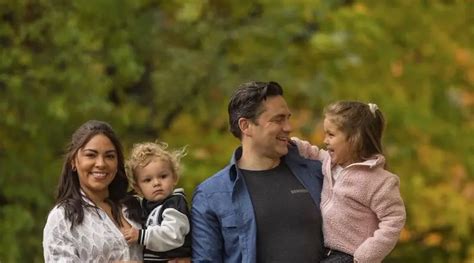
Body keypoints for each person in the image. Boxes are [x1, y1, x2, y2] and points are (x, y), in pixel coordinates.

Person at [191, 81, 325, 263]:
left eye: (288, 118)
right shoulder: (211, 195)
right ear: (246, 126)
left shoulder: (317, 173)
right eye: (278, 119)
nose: (288, 127)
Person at [292, 101, 406, 263]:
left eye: (331, 135)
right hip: (322, 250)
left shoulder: (380, 181)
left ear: (355, 139)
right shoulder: (329, 163)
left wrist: (364, 256)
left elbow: (394, 220)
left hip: (350, 256)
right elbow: (312, 152)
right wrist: (292, 144)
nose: (325, 140)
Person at [42, 120, 143, 262]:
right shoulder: (63, 218)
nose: (101, 163)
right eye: (91, 155)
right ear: (73, 162)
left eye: (109, 156)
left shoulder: (134, 206)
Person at [121, 141, 191, 262]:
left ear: (174, 178)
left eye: (163, 176)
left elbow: (173, 235)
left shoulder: (174, 204)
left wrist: (141, 235)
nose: (157, 183)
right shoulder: (146, 205)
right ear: (138, 188)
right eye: (148, 180)